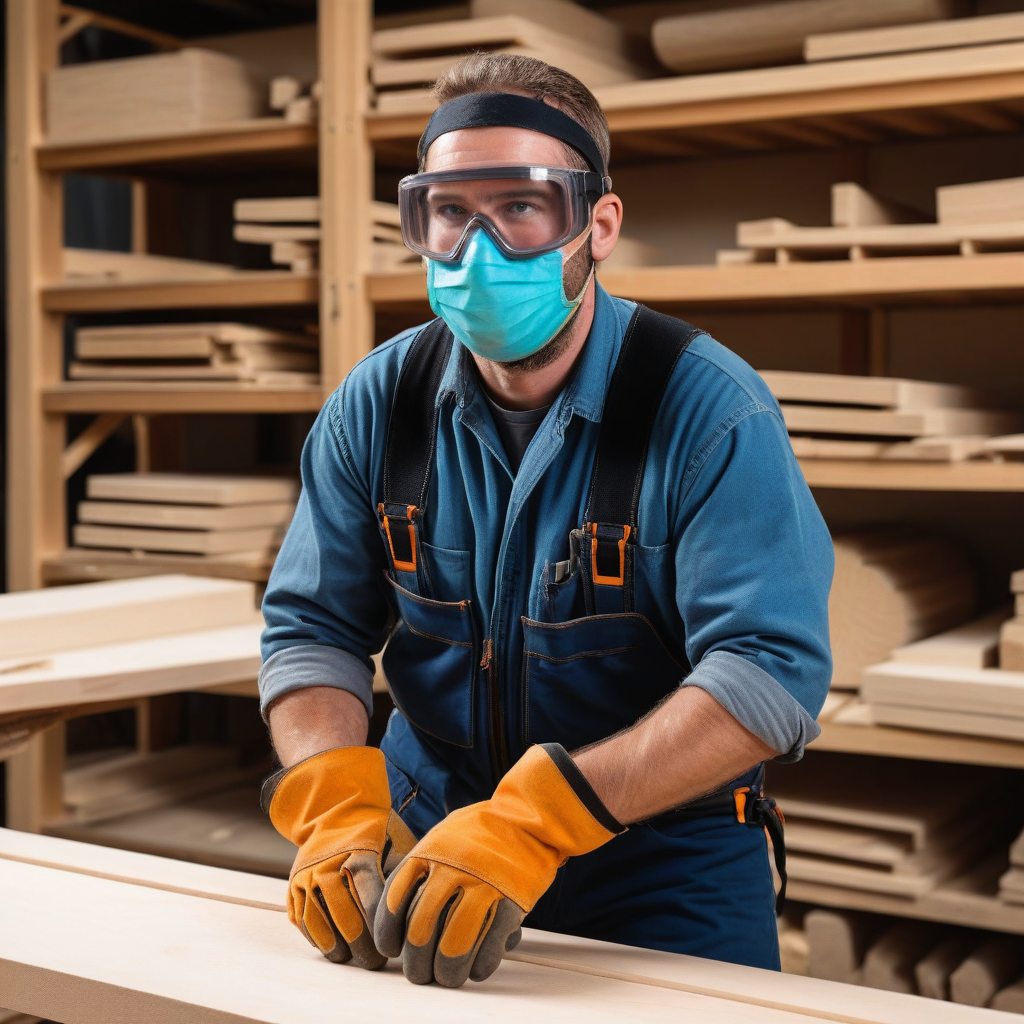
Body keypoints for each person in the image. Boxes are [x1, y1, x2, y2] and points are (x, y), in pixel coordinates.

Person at [259, 53, 833, 989]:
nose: (479, 249)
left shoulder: (708, 411)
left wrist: (536, 822)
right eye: (450, 212)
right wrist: (331, 805)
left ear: (597, 225)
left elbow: (769, 673)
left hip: (657, 864)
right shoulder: (378, 403)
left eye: (522, 207)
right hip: (427, 841)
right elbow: (313, 628)